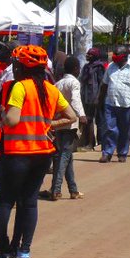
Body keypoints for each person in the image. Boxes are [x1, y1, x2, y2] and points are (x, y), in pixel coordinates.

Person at [0, 46, 76, 258]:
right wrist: (48, 124)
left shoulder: (20, 88)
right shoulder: (50, 90)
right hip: (42, 155)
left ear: (21, 67)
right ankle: (22, 253)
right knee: (29, 204)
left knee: (5, 203)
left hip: (17, 154)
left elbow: (12, 120)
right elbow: (71, 116)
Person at [42, 55, 86, 201]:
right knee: (64, 156)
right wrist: (82, 115)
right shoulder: (74, 83)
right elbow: (75, 100)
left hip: (58, 123)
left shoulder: (58, 84)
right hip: (69, 123)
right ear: (75, 69)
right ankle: (56, 189)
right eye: (79, 68)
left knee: (67, 156)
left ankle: (73, 190)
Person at [99, 45, 130, 162]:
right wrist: (99, 99)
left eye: (117, 55)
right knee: (110, 128)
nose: (114, 57)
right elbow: (104, 84)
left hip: (126, 104)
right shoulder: (110, 67)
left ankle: (122, 153)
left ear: (124, 56)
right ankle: (107, 152)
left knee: (124, 130)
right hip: (110, 103)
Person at [79, 49, 106, 149]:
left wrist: (98, 97)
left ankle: (96, 142)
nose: (87, 55)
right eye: (87, 54)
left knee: (97, 121)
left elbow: (102, 83)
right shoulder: (86, 67)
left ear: (94, 56)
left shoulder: (99, 67)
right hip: (86, 97)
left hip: (96, 98)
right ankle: (88, 141)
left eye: (90, 54)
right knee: (87, 120)